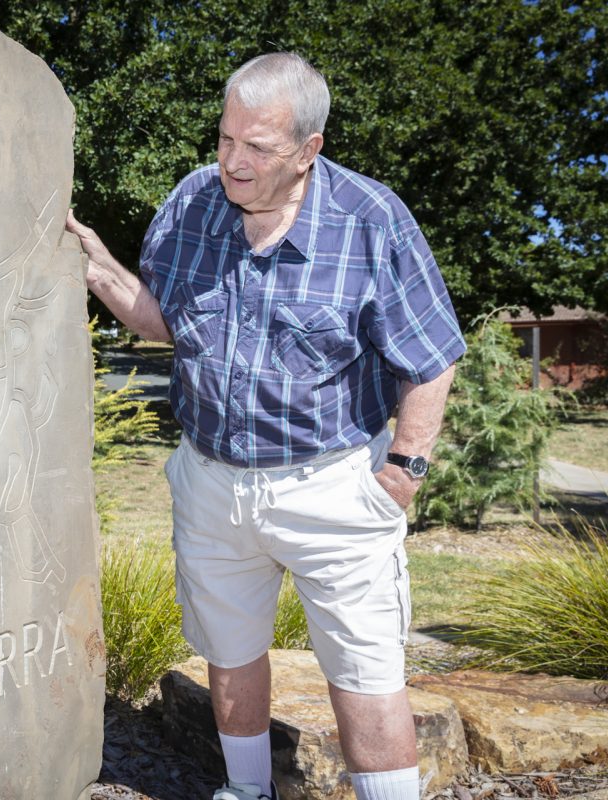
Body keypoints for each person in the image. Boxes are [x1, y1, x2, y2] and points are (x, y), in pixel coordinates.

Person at [65, 52, 466, 800]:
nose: (232, 163)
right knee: (230, 651)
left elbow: (432, 356)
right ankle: (246, 792)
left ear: (309, 149)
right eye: (225, 139)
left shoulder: (371, 219)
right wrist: (102, 272)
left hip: (334, 485)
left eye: (258, 148)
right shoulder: (191, 204)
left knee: (365, 671)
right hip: (213, 481)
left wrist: (401, 472)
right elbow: (168, 323)